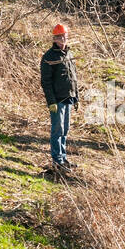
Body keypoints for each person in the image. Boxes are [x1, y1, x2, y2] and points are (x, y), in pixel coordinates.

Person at [40, 23, 79, 173]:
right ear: (55, 38)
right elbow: (46, 82)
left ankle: (63, 158)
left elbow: (73, 78)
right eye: (61, 37)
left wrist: (76, 97)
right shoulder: (49, 57)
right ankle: (57, 161)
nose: (64, 39)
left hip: (68, 98)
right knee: (57, 130)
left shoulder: (68, 54)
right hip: (57, 100)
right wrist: (51, 102)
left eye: (66, 36)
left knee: (65, 130)